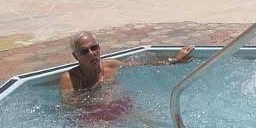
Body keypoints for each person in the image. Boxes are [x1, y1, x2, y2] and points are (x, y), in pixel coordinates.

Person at [59, 31, 194, 98]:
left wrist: (175, 60)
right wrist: (95, 90)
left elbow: (142, 65)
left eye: (94, 48)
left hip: (117, 106)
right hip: (93, 117)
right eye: (84, 51)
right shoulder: (70, 79)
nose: (91, 53)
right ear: (76, 56)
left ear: (99, 48)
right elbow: (71, 109)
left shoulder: (111, 65)